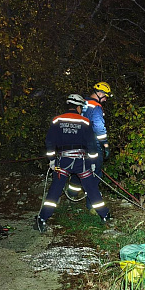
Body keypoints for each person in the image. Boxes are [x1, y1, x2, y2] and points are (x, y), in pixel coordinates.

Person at [35, 94, 111, 232]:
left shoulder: (56, 120)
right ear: (78, 107)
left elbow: (50, 142)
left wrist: (52, 160)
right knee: (92, 189)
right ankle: (105, 216)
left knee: (55, 190)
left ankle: (42, 219)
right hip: (81, 162)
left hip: (63, 161)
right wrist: (93, 161)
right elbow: (91, 144)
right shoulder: (85, 121)